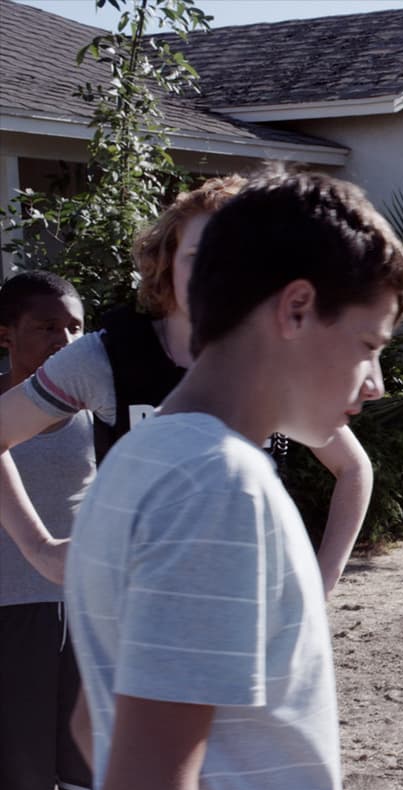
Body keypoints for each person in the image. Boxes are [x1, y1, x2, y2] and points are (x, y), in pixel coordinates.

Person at [60, 169, 403, 790]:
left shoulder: (139, 458)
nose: (376, 382)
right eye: (368, 344)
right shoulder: (218, 486)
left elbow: (89, 724)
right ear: (296, 308)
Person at [0, 175, 375, 595]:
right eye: (198, 256)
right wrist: (39, 548)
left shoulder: (276, 363)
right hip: (139, 610)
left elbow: (352, 468)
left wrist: (322, 580)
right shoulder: (106, 357)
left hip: (254, 605)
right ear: (167, 263)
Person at [0, 271, 93, 790]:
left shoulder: (99, 412)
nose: (64, 341)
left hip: (91, 613)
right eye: (46, 327)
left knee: (92, 781)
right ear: (5, 334)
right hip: (9, 616)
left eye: (75, 328)